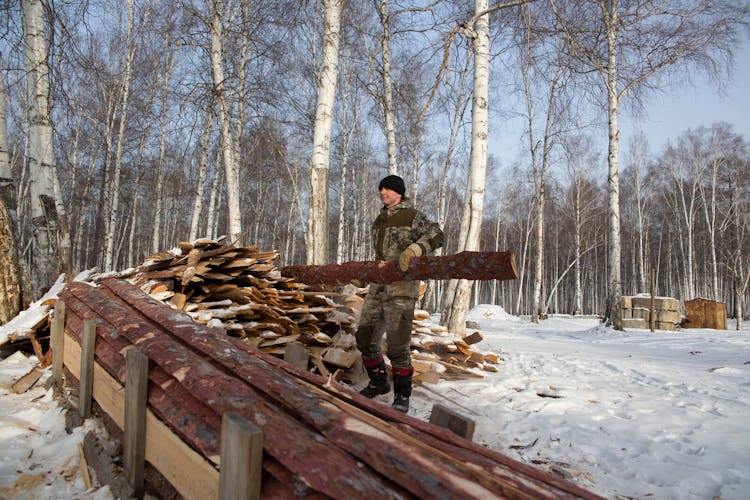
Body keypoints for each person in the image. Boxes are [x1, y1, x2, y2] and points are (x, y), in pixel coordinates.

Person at [355, 174, 444, 412]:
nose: (382, 192)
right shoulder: (378, 221)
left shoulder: (412, 216)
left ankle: (402, 396)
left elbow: (437, 234)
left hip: (402, 289)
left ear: (399, 193)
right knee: (365, 338)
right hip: (378, 288)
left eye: (388, 189)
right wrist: (364, 273)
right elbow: (380, 258)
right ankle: (378, 382)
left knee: (397, 345)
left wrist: (417, 248)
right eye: (381, 188)